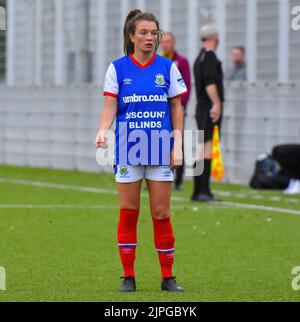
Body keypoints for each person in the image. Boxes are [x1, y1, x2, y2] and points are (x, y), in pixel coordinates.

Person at [94, 9, 187, 292]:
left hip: (160, 147)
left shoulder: (168, 68)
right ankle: (128, 276)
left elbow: (176, 108)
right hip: (127, 148)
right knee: (129, 211)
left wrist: (179, 145)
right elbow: (110, 104)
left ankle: (168, 277)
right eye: (144, 33)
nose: (150, 38)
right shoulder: (117, 68)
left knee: (161, 213)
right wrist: (102, 129)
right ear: (131, 36)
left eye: (154, 33)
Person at [192, 25, 224, 202]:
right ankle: (203, 191)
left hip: (201, 106)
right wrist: (217, 103)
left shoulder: (200, 57)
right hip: (208, 106)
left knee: (200, 148)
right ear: (215, 38)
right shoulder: (210, 56)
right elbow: (210, 83)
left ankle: (198, 191)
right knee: (207, 147)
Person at [161, 32, 191, 190]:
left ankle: (178, 179)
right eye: (163, 42)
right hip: (160, 112)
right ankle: (157, 175)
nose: (165, 45)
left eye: (168, 42)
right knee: (160, 141)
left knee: (178, 141)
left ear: (173, 43)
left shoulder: (181, 62)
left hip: (176, 109)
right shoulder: (157, 62)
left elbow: (185, 87)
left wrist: (181, 106)